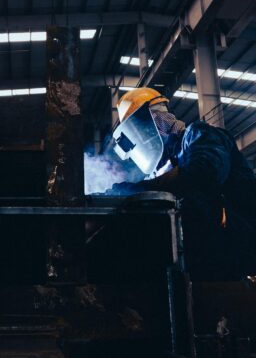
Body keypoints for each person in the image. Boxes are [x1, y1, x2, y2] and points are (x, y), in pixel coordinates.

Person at [106, 88, 256, 280]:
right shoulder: (164, 168)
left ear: (154, 120)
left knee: (192, 205)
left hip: (240, 236)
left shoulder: (199, 135)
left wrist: (137, 190)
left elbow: (204, 172)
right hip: (209, 253)